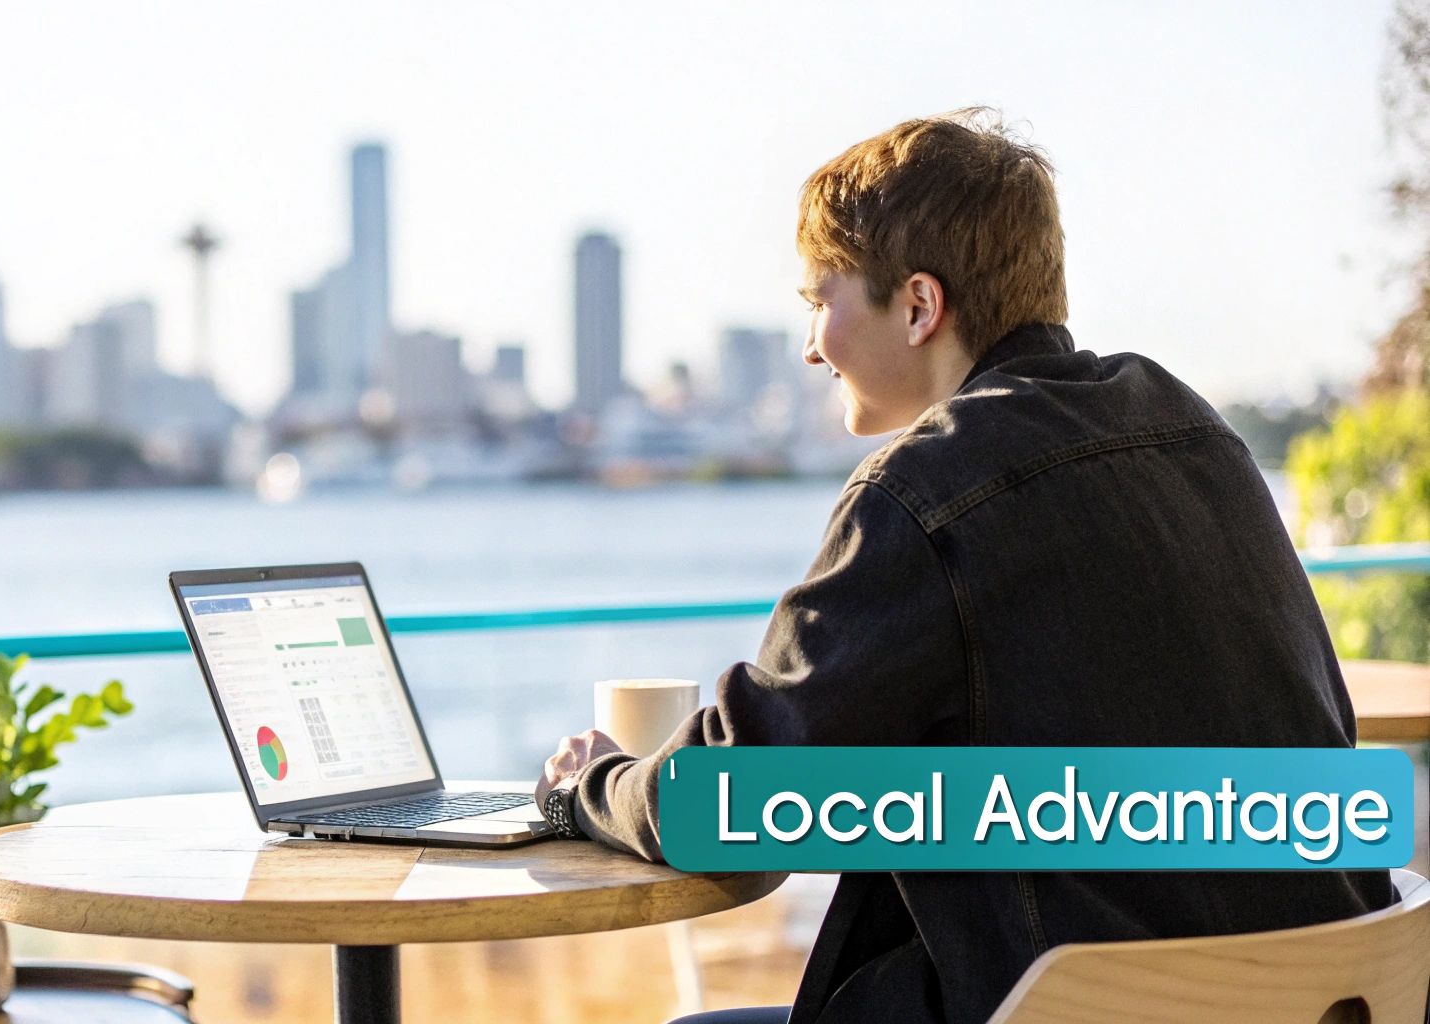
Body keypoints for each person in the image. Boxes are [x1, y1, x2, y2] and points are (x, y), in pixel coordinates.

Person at [531, 107, 1398, 1024]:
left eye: (818, 302)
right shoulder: (1194, 431)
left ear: (917, 306)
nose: (811, 346)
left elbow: (733, 809)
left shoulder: (927, 491)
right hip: (1321, 996)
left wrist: (595, 785)